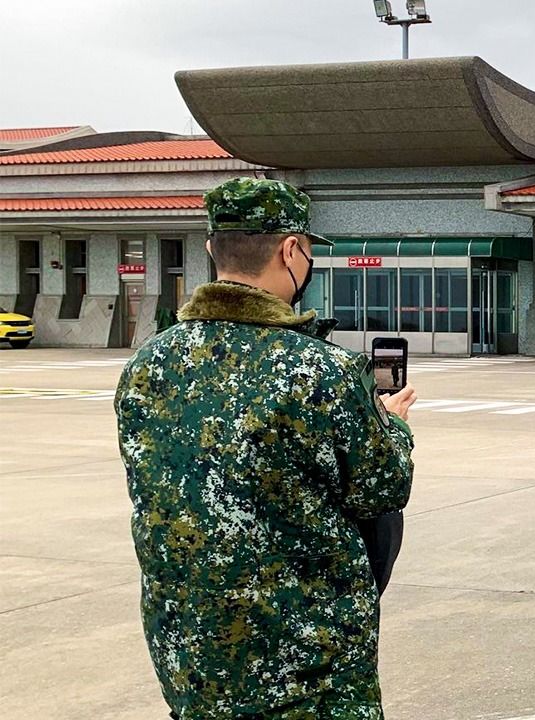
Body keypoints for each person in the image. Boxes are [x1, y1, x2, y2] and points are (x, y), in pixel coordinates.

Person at [115, 178, 417, 719]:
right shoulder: (321, 369)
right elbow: (382, 487)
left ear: (212, 249)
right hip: (304, 666)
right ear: (290, 250)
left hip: (191, 658)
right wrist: (391, 425)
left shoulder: (148, 365)